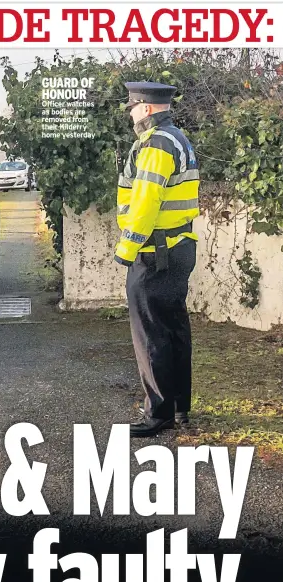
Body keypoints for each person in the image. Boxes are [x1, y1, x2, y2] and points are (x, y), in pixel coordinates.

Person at [114, 82, 200, 438]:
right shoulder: (175, 137)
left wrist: (127, 248)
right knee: (174, 327)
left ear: (146, 108)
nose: (131, 114)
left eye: (133, 107)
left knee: (151, 333)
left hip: (154, 252)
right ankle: (179, 406)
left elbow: (146, 201)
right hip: (177, 246)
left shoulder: (156, 145)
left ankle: (158, 412)